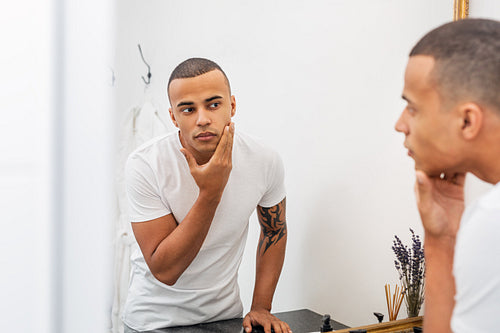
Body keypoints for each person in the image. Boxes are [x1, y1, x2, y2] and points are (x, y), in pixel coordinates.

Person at [122, 58, 291, 333]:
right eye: (188, 109)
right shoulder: (145, 164)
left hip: (224, 319)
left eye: (213, 104)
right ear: (173, 117)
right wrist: (211, 192)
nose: (202, 119)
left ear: (232, 106)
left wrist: (261, 306)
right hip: (152, 323)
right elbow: (165, 271)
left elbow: (275, 231)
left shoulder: (264, 159)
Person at [395, 18, 500, 332]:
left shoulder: (492, 220)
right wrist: (440, 239)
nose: (400, 125)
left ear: (467, 121)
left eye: (412, 108)